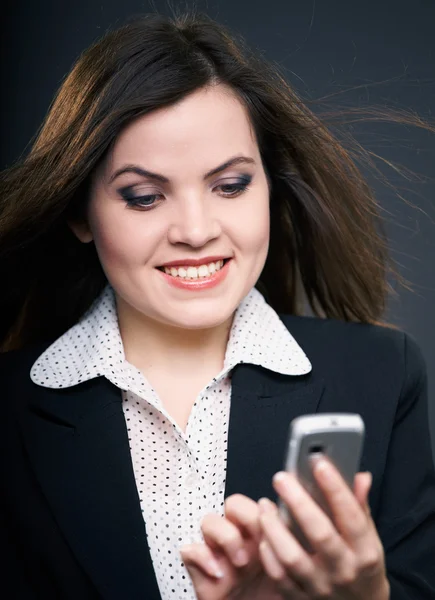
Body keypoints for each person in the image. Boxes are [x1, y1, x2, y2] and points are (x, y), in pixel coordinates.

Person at [0, 9, 434, 600]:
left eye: (230, 186)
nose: (197, 230)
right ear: (80, 211)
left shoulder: (383, 376)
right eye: (145, 197)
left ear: (270, 186)